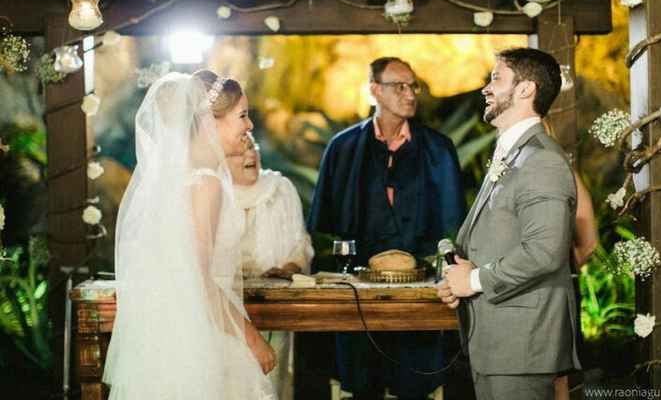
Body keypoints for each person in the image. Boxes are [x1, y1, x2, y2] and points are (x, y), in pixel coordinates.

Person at [103, 70, 277, 399]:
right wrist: (253, 339)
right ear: (211, 122)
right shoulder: (204, 182)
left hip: (170, 335)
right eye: (242, 116)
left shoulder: (178, 177)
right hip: (196, 338)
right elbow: (199, 278)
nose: (249, 126)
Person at [308, 57, 466, 400]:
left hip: (420, 291)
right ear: (374, 90)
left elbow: (454, 223)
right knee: (362, 383)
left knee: (416, 384)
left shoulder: (438, 148)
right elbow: (325, 225)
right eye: (399, 86)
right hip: (361, 293)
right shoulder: (343, 147)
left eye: (413, 86)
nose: (409, 94)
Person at [438, 47, 581, 400]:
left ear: (525, 89)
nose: (486, 89)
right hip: (498, 341)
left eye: (496, 78)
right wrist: (457, 277)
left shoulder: (541, 161)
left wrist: (472, 280)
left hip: (523, 344)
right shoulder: (513, 154)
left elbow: (545, 252)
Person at [228, 136, 315, 400]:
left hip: (275, 306)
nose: (250, 155)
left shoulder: (280, 187)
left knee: (272, 383)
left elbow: (302, 243)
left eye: (253, 147)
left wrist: (289, 267)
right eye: (240, 151)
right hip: (230, 309)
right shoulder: (214, 192)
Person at [542, 121, 599, 400]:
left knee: (556, 375)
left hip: (554, 289)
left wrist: (561, 267)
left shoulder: (564, 173)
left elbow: (588, 242)